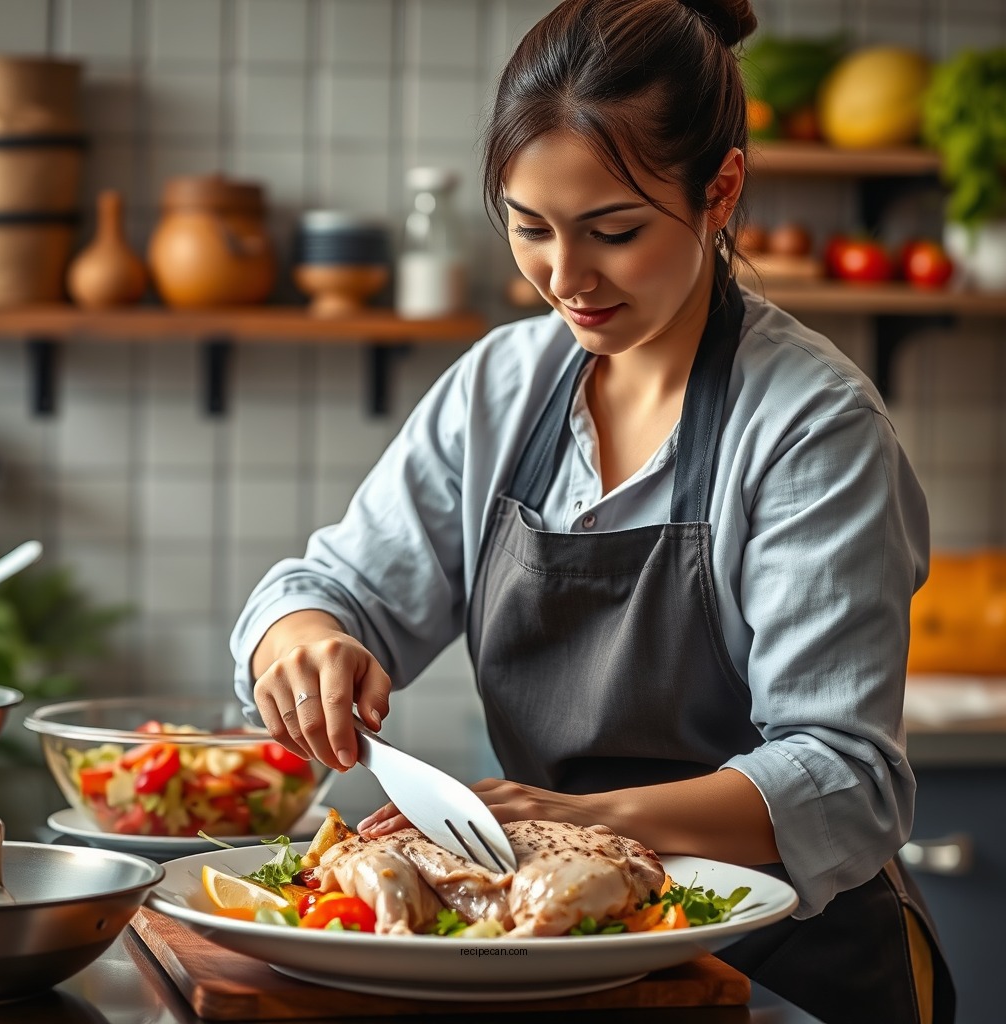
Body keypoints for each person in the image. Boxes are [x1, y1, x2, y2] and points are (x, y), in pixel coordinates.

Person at [230, 2, 954, 1020]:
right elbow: (329, 588)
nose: (565, 279)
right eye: (530, 228)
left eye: (612, 231)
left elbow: (843, 772)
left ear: (719, 192)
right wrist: (303, 640)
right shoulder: (499, 389)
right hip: (560, 955)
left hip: (792, 969)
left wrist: (583, 824)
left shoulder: (810, 426)